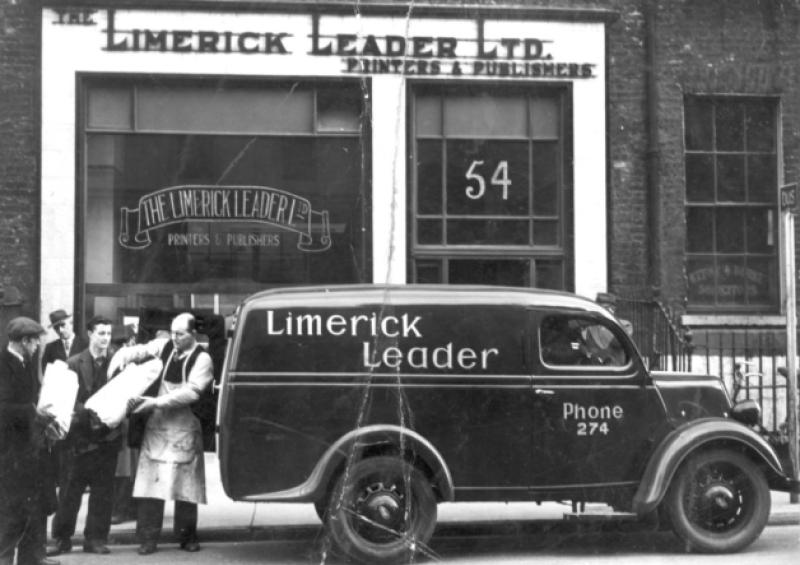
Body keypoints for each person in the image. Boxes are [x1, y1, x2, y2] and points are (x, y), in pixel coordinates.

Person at [108, 313, 213, 555]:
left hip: (184, 430)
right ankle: (148, 539)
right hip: (156, 429)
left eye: (180, 334)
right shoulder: (165, 345)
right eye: (172, 332)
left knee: (186, 489)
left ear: (193, 334)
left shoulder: (203, 359)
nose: (174, 338)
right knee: (150, 488)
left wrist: (155, 402)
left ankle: (187, 537)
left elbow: (192, 392)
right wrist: (121, 356)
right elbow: (142, 350)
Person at [50, 316, 119, 555]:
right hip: (79, 439)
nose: (106, 338)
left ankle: (95, 539)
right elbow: (66, 397)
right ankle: (62, 538)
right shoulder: (73, 363)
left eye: (108, 333)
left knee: (103, 492)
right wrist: (89, 412)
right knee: (70, 491)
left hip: (107, 439)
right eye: (101, 333)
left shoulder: (117, 363)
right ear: (90, 334)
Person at [0, 317, 59, 565]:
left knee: (34, 506)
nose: (37, 347)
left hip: (30, 449)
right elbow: (3, 408)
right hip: (10, 453)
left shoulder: (26, 362)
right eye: (35, 342)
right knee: (11, 511)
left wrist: (46, 421)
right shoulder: (3, 365)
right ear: (24, 341)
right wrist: (34, 412)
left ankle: (32, 557)